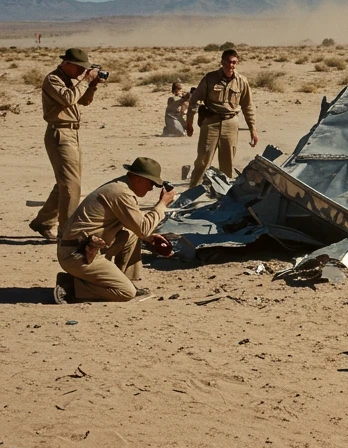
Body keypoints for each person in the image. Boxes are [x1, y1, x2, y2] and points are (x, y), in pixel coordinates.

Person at [54, 157, 177, 303]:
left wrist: (149, 238)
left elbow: (136, 228)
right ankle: (72, 287)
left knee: (131, 235)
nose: (151, 189)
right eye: (151, 183)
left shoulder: (121, 187)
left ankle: (123, 280)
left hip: (86, 248)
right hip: (77, 254)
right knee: (125, 293)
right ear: (138, 178)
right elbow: (144, 228)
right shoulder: (121, 193)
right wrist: (162, 204)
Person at [29, 48, 102, 241]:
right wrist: (85, 80)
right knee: (71, 186)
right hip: (60, 133)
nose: (82, 72)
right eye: (79, 68)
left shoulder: (70, 80)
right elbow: (69, 98)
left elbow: (84, 101)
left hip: (72, 133)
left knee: (67, 182)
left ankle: (44, 221)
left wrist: (92, 85)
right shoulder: (53, 79)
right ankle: (67, 233)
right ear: (67, 64)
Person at [185, 49, 258, 189]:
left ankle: (225, 194)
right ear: (222, 62)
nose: (231, 65)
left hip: (231, 123)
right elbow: (194, 100)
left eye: (234, 62)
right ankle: (192, 191)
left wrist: (253, 129)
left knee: (227, 163)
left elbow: (248, 106)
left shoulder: (241, 81)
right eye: (228, 62)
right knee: (203, 161)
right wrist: (189, 123)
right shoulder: (210, 79)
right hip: (211, 122)